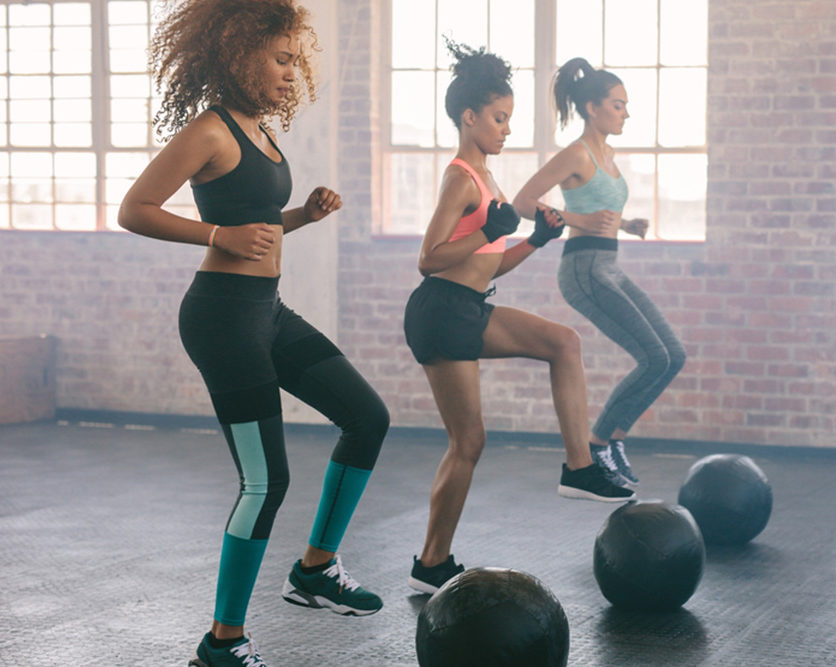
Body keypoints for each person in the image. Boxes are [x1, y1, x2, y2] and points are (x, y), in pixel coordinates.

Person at [118, 1, 388, 664]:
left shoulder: (258, 129)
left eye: (295, 61)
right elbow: (134, 209)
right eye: (282, 59)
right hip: (221, 317)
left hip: (263, 310)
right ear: (239, 53)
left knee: (367, 416)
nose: (292, 74)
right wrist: (215, 233)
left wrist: (302, 215)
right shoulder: (209, 131)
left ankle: (316, 567)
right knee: (266, 482)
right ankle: (223, 640)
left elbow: (256, 228)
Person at [403, 41, 635, 595]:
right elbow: (428, 258)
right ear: (470, 117)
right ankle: (432, 563)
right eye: (500, 118)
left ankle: (578, 467)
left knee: (563, 342)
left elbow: (489, 263)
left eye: (509, 119)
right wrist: (490, 228)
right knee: (468, 443)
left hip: (467, 306)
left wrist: (536, 237)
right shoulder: (462, 176)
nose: (507, 129)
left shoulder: (488, 178)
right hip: (441, 312)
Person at [513, 58, 686, 487]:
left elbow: (600, 208)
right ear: (593, 108)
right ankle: (596, 444)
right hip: (583, 270)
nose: (625, 112)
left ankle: (614, 437)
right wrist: (577, 221)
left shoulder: (607, 154)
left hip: (609, 264)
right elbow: (522, 201)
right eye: (618, 104)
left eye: (625, 106)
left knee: (672, 356)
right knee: (653, 357)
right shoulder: (576, 153)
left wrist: (626, 224)